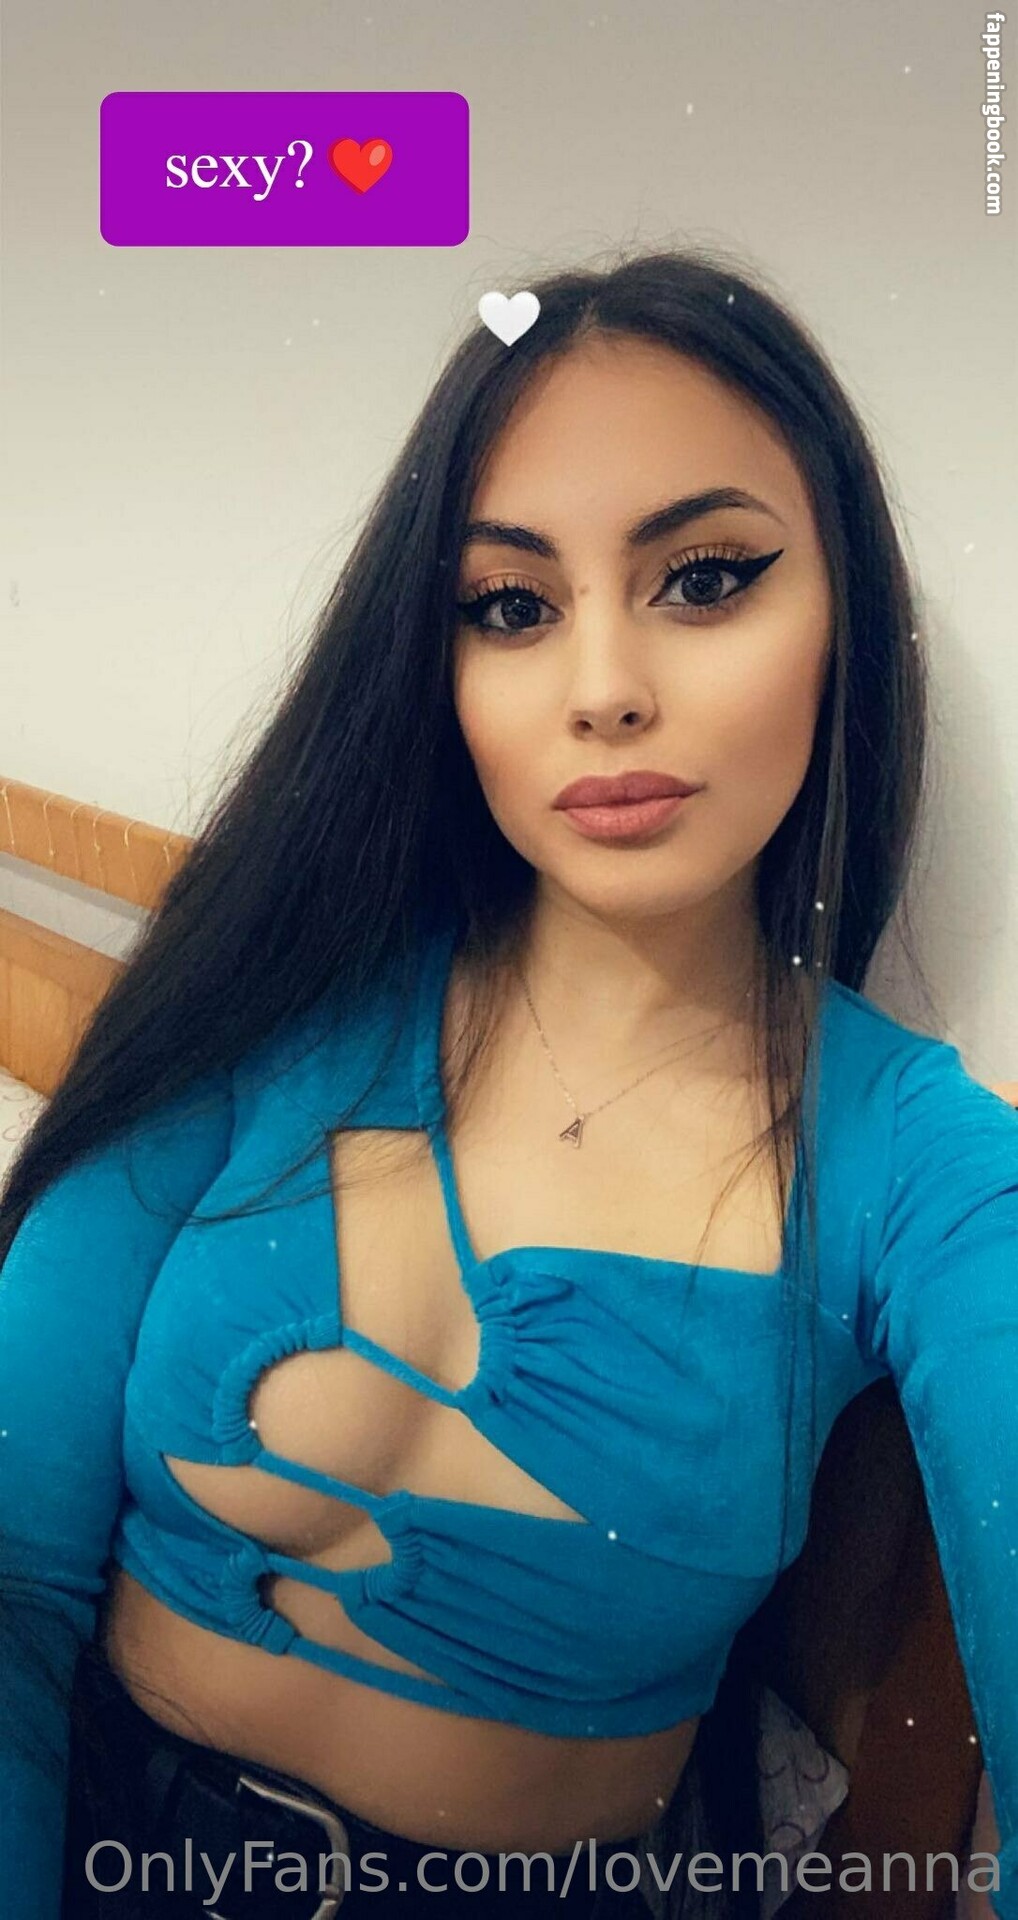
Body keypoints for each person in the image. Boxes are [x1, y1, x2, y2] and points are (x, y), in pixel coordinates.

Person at [1, 246, 1016, 1920]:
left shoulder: (918, 1166)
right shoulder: (264, 1000)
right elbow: (18, 1584)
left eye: (704, 579)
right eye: (511, 606)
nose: (602, 688)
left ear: (840, 620)